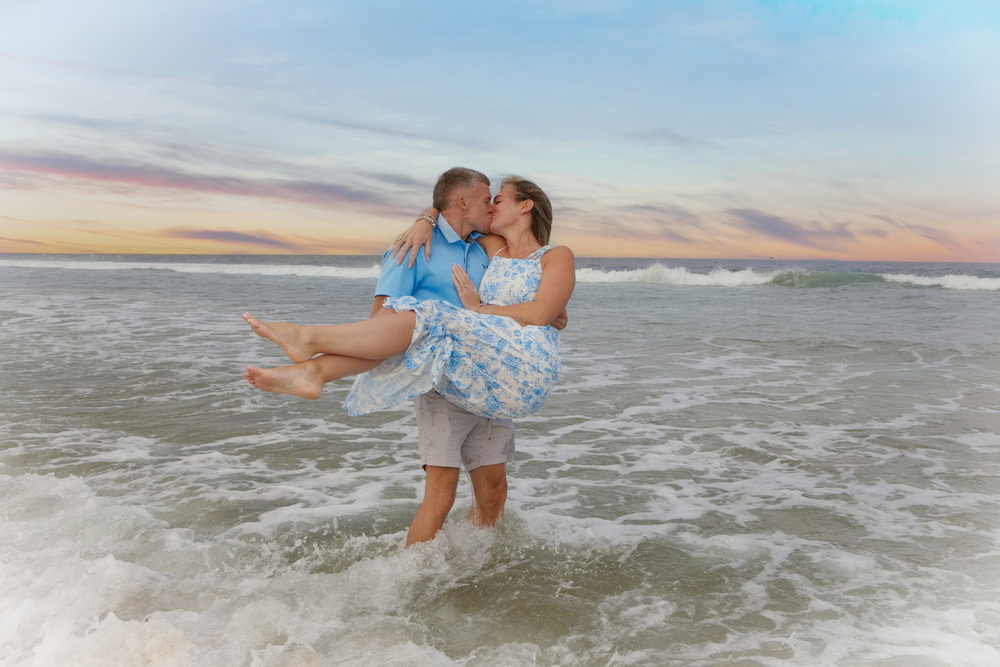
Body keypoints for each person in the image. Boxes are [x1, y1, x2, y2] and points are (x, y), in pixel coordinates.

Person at [243, 168, 575, 545]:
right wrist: (425, 219)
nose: (492, 205)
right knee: (444, 493)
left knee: (493, 490)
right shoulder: (435, 246)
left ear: (525, 206)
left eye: (497, 200)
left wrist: (493, 310)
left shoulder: (505, 247)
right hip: (446, 373)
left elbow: (540, 310)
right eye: (489, 199)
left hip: (504, 367)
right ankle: (422, 572)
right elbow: (382, 323)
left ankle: (477, 563)